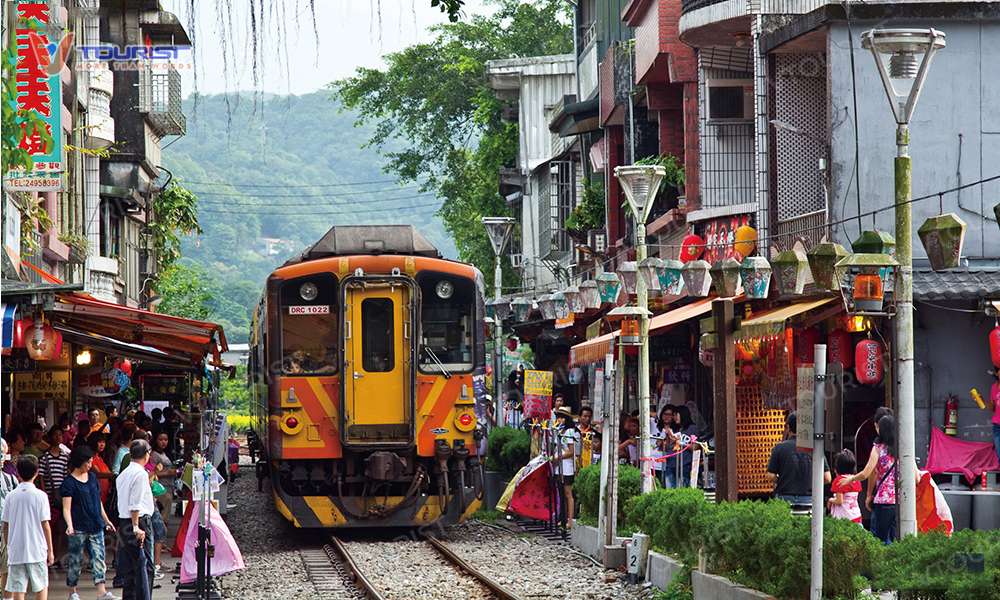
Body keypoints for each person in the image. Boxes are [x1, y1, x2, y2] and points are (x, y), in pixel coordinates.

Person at [60, 446, 117, 600]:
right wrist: (70, 525)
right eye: (88, 462)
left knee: (99, 557)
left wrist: (106, 520)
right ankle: (73, 592)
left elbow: (97, 501)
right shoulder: (69, 483)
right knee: (75, 560)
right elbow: (67, 507)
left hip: (95, 525)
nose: (90, 465)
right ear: (79, 462)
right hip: (77, 526)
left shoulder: (92, 478)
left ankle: (101, 591)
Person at [1, 455, 55, 600]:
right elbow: (45, 525)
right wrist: (50, 550)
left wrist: (8, 545)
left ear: (17, 472)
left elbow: (5, 525)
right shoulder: (41, 496)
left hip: (16, 550)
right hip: (37, 549)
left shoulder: (11, 497)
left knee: (18, 587)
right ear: (37, 472)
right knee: (41, 585)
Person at [115, 440, 156, 600]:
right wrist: (136, 527)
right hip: (137, 522)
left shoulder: (124, 473)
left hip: (125, 521)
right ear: (146, 455)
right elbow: (135, 503)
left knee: (133, 566)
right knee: (144, 567)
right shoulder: (140, 474)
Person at [847, 415, 897, 545]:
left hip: (884, 501)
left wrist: (850, 479)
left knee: (880, 540)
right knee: (899, 540)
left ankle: (883, 564)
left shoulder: (878, 448)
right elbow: (916, 477)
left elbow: (867, 472)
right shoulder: (903, 449)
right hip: (902, 501)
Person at [765, 411, 831, 505]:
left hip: (785, 498)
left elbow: (770, 476)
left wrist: (784, 480)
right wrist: (810, 483)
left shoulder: (779, 448)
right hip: (809, 498)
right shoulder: (815, 448)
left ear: (788, 428)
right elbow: (827, 478)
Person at [37, 428, 69, 570]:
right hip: (49, 497)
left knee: (59, 528)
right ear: (50, 437)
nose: (59, 437)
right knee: (48, 527)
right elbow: (41, 478)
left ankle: (55, 557)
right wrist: (44, 494)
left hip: (61, 497)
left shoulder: (64, 457)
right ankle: (48, 556)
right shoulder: (44, 458)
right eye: (55, 434)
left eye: (61, 434)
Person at [1, 439, 22, 600]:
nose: (3, 459)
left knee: (6, 566)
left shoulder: (10, 479)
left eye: (3, 455)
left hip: (6, 529)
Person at [552, 406, 579, 527]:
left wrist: (558, 457)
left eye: (562, 417)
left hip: (567, 466)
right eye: (558, 417)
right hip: (559, 465)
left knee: (568, 494)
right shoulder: (558, 431)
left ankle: (570, 519)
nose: (559, 419)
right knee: (562, 493)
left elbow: (571, 452)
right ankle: (563, 518)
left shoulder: (569, 431)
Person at [668, 406, 700, 488]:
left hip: (684, 463)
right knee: (670, 488)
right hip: (671, 463)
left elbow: (695, 447)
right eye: (673, 416)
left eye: (676, 415)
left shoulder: (692, 428)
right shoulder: (674, 429)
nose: (674, 418)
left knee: (684, 487)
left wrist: (679, 442)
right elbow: (668, 447)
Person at [828, 449, 862, 524]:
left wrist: (830, 500)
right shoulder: (856, 479)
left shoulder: (839, 481)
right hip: (856, 515)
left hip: (843, 517)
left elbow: (839, 501)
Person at [86, 434, 113, 505]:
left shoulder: (100, 458)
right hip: (96, 495)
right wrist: (114, 475)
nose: (102, 445)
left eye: (104, 442)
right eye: (100, 442)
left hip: (104, 495)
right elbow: (97, 474)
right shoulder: (91, 458)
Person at [653, 406, 674, 488]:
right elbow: (638, 418)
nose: (667, 416)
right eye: (665, 414)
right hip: (651, 462)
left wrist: (663, 442)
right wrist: (650, 414)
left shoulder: (674, 430)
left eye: (670, 414)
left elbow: (667, 448)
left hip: (664, 464)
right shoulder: (654, 424)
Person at [989, 370, 1000, 466]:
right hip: (997, 426)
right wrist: (982, 401)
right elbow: (993, 407)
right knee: (999, 454)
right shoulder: (994, 387)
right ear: (996, 373)